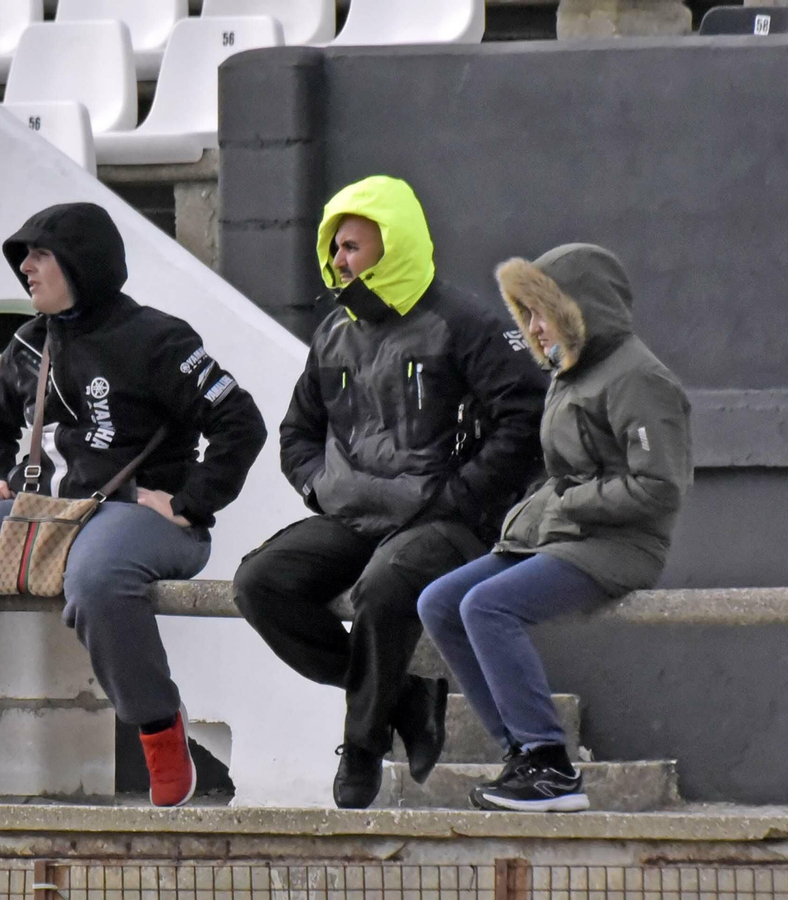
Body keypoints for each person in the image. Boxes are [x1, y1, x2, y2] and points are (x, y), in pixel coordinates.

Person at [0, 202, 267, 807]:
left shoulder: (158, 338)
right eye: (24, 256)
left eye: (39, 254)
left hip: (137, 516)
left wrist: (189, 500)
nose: (26, 267)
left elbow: (240, 421)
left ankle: (158, 729)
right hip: (41, 512)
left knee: (96, 582)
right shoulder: (27, 343)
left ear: (82, 262)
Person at [231, 176, 547, 809]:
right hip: (353, 514)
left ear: (393, 245)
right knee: (259, 583)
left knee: (384, 584)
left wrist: (460, 498)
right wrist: (318, 487)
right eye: (335, 247)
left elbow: (525, 421)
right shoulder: (332, 332)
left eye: (352, 247)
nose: (337, 261)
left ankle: (364, 745)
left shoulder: (466, 323)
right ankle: (405, 698)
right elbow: (298, 430)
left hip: (447, 518)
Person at [417, 243, 692, 813]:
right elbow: (566, 477)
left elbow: (661, 486)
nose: (535, 328)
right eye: (528, 313)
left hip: (619, 544)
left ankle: (549, 766)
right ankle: (521, 753)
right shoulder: (573, 373)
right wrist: (539, 517)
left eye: (542, 312)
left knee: (487, 607)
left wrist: (573, 502)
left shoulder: (639, 378)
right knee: (440, 602)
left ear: (579, 308)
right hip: (566, 534)